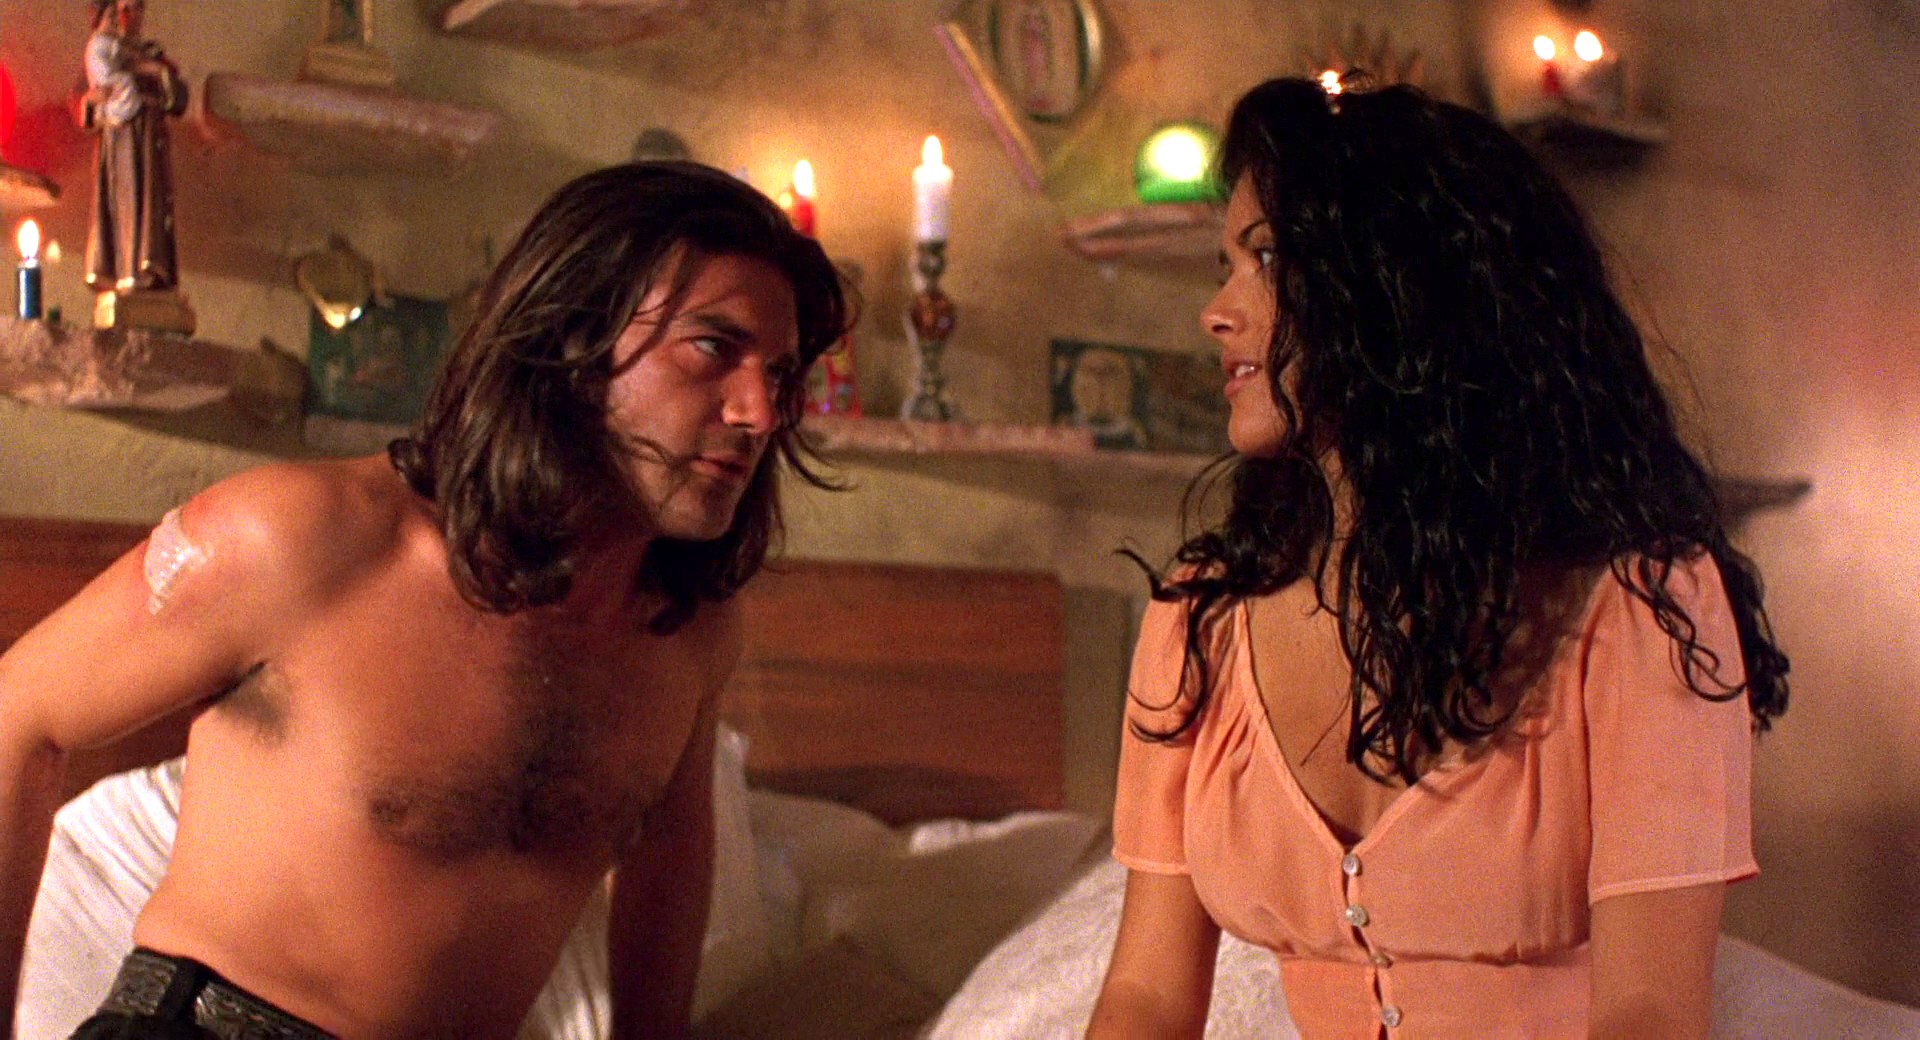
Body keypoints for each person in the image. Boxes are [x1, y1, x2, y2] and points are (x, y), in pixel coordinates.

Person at [1, 160, 848, 1039]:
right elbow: (17, 713)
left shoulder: (687, 632)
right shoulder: (305, 537)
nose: (761, 412)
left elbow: (668, 859)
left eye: (780, 374)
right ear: (574, 342)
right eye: (713, 348)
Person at [1089, 76, 1789, 1039]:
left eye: (1265, 257)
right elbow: (1146, 999)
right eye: (1226, 264)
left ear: (1400, 283)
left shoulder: (1640, 604)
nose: (1215, 311)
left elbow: (1650, 1014)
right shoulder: (1199, 619)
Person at [80, 0, 187, 294]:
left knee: (150, 201)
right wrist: (90, 102)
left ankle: (148, 270)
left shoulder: (151, 54)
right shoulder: (102, 51)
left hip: (149, 138)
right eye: (121, 9)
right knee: (122, 202)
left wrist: (158, 73)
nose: (126, 16)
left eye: (134, 8)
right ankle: (120, 271)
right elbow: (84, 100)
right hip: (117, 139)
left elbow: (178, 98)